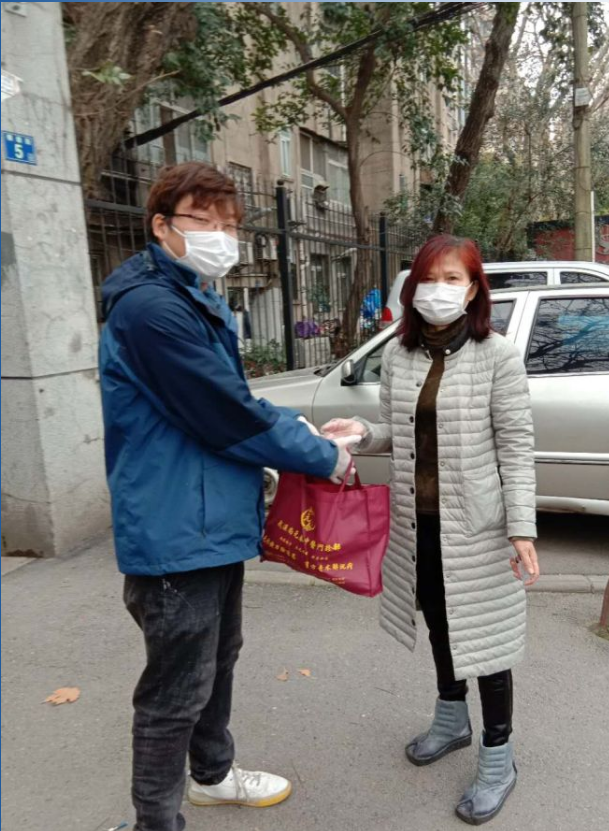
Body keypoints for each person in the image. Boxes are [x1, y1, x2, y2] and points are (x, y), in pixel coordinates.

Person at [98, 161, 357, 831]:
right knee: (174, 692)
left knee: (216, 659)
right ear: (161, 225)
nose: (221, 235)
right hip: (175, 527)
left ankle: (211, 777)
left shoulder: (191, 296)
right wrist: (322, 454)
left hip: (209, 520)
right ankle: (156, 824)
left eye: (231, 225)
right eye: (203, 220)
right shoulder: (153, 310)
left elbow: (228, 402)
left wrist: (302, 431)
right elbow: (224, 414)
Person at [322, 234, 540, 825]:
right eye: (428, 278)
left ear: (472, 291)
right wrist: (362, 434)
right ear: (412, 286)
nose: (438, 289)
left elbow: (516, 448)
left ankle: (499, 757)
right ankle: (451, 718)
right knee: (440, 622)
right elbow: (398, 433)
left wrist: (521, 529)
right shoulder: (400, 355)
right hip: (419, 525)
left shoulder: (497, 356)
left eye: (452, 279)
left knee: (487, 643)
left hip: (478, 528)